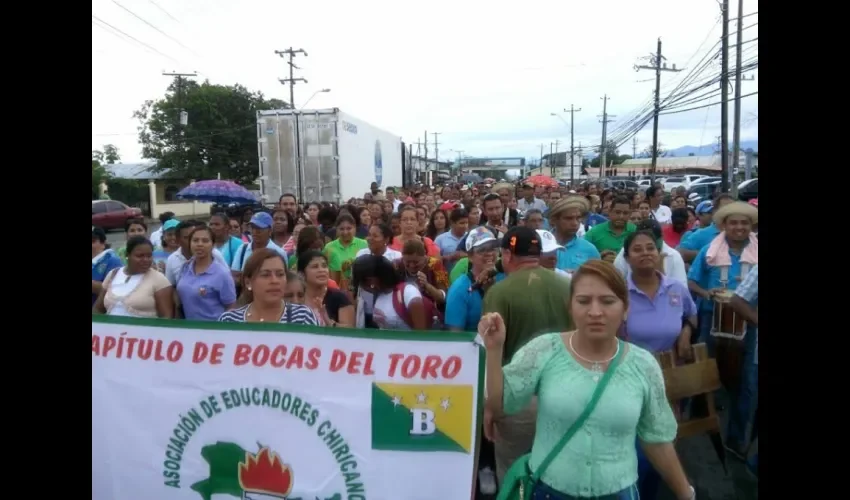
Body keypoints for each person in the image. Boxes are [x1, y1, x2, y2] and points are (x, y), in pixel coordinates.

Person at [478, 260, 694, 499]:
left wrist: (686, 493)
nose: (595, 312)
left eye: (607, 301)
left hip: (618, 493)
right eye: (583, 301)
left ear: (625, 309)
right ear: (570, 308)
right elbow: (499, 404)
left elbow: (657, 440)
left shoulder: (643, 365)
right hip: (550, 491)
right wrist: (494, 349)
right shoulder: (544, 350)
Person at [481, 226, 574, 484]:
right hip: (566, 393)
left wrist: (491, 406)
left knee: (515, 474)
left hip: (518, 400)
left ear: (507, 255)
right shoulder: (566, 286)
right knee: (559, 472)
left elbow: (493, 351)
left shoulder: (499, 292)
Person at [219, 249, 318, 324]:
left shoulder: (303, 317)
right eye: (265, 275)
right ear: (248, 282)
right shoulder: (229, 320)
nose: (274, 281)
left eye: (280, 274)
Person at [93, 236, 174, 318]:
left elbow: (166, 316)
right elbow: (98, 309)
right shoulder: (113, 274)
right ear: (127, 255)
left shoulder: (159, 280)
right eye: (140, 256)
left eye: (149, 256)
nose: (146, 260)